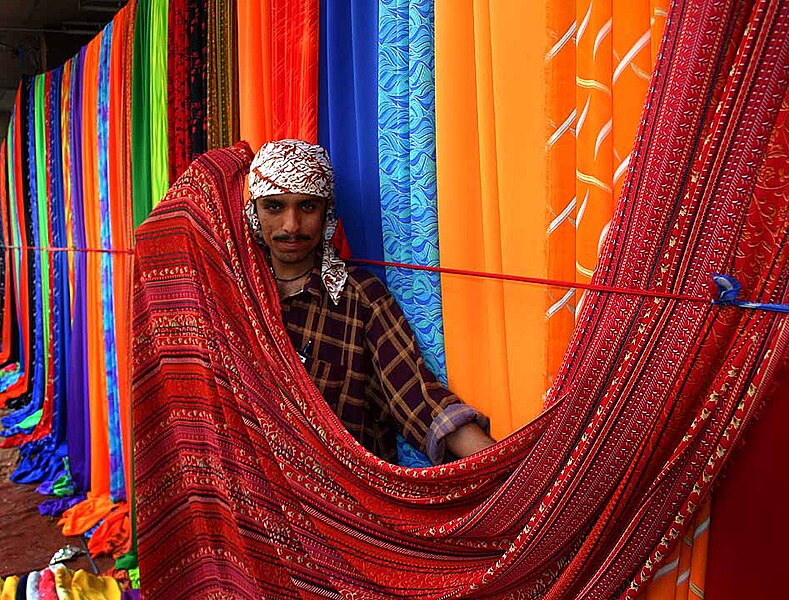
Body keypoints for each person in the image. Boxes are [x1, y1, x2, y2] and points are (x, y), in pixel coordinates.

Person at [245, 139, 494, 463]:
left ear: (326, 213)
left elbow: (418, 400)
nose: (291, 225)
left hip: (339, 504)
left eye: (307, 206)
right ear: (254, 212)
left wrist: (514, 478)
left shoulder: (359, 298)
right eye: (274, 207)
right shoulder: (235, 295)